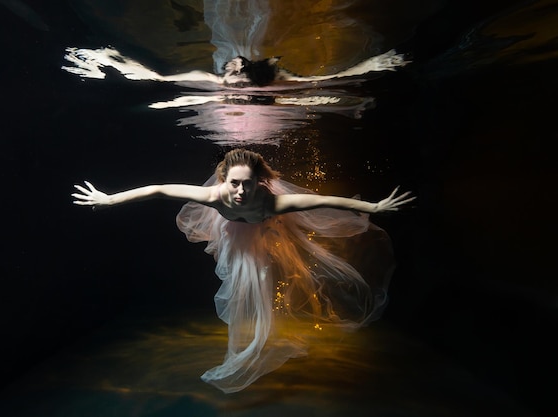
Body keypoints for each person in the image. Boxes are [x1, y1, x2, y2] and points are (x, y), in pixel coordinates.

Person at [72, 148, 415, 393]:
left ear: (259, 182)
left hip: (268, 226)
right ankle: (251, 333)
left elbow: (328, 201)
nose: (240, 191)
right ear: (224, 179)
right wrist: (109, 199)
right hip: (234, 233)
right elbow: (159, 189)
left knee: (270, 271)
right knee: (243, 276)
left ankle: (270, 302)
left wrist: (373, 206)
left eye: (247, 184)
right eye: (234, 183)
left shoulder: (274, 202)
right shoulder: (214, 195)